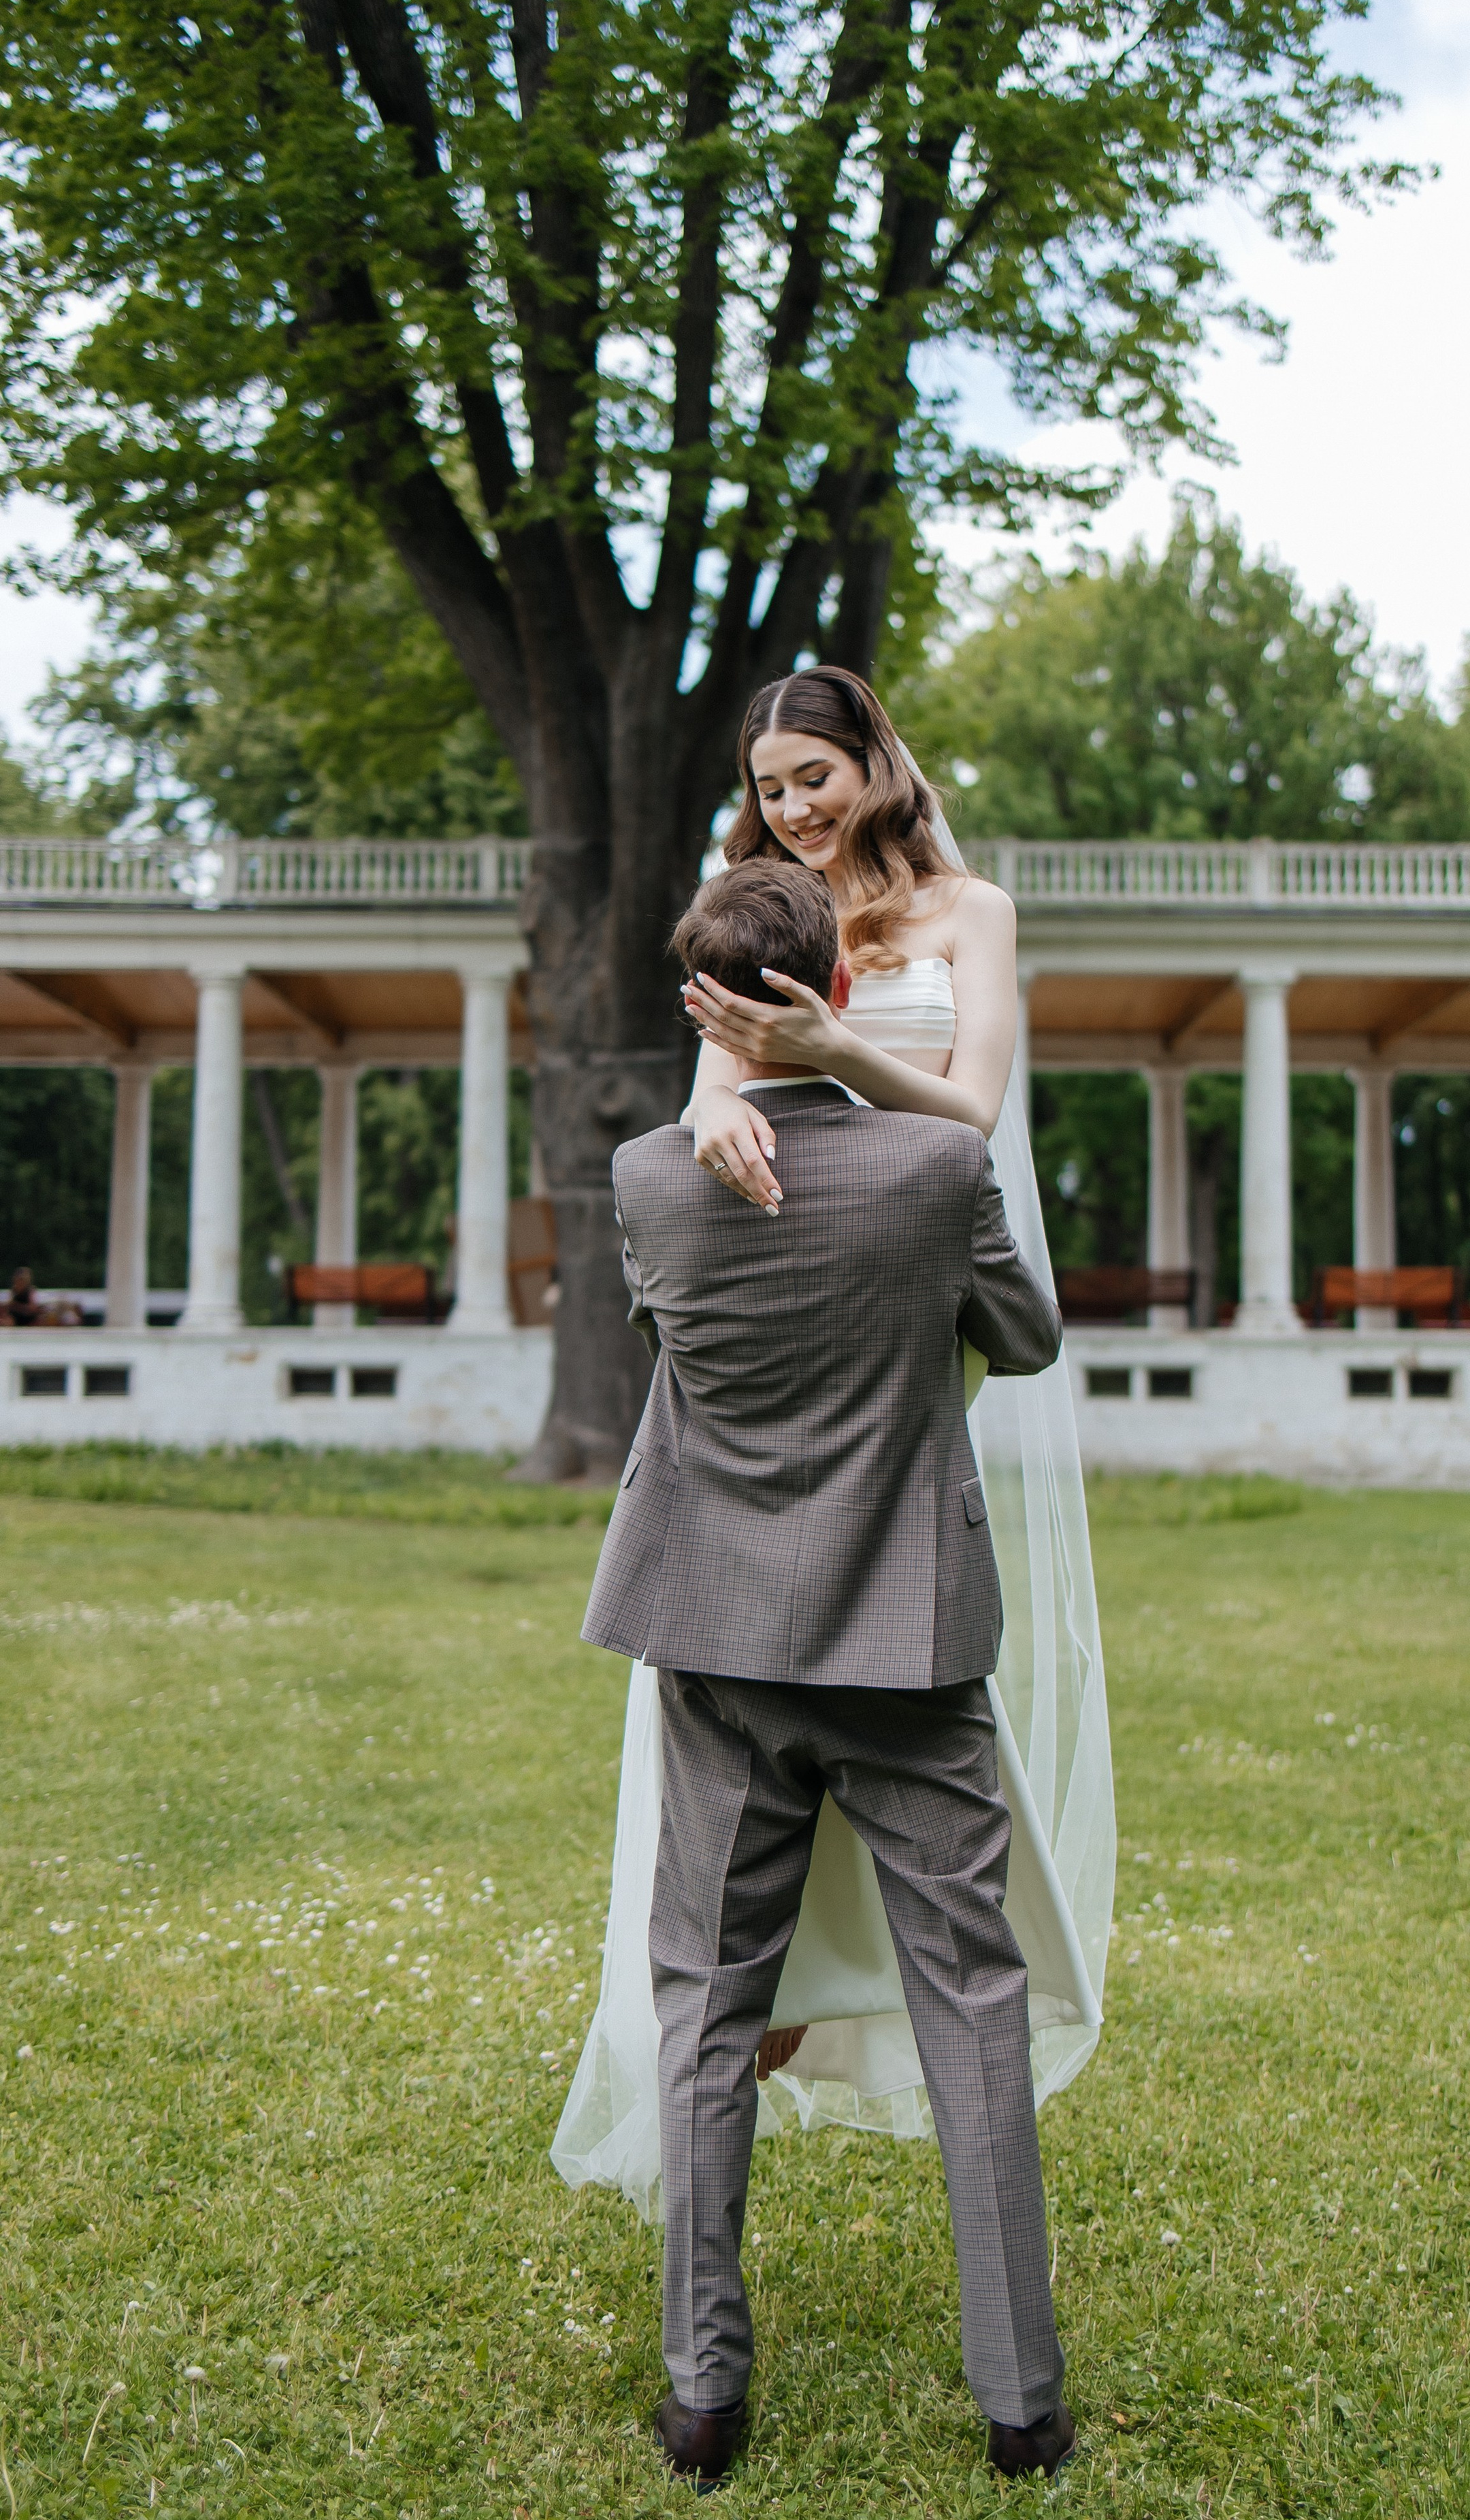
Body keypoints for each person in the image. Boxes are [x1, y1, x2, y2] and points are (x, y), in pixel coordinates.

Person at [551, 667, 1114, 2455]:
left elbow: (954, 1108)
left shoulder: (962, 928)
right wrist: (731, 1081)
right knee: (971, 1999)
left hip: (719, 1597)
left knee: (707, 1994)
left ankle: (703, 2396)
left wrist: (798, 1072)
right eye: (768, 786)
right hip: (900, 1584)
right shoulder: (777, 1040)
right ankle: (1022, 2408)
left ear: (872, 760)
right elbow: (1009, 1312)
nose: (791, 806)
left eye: (811, 776)